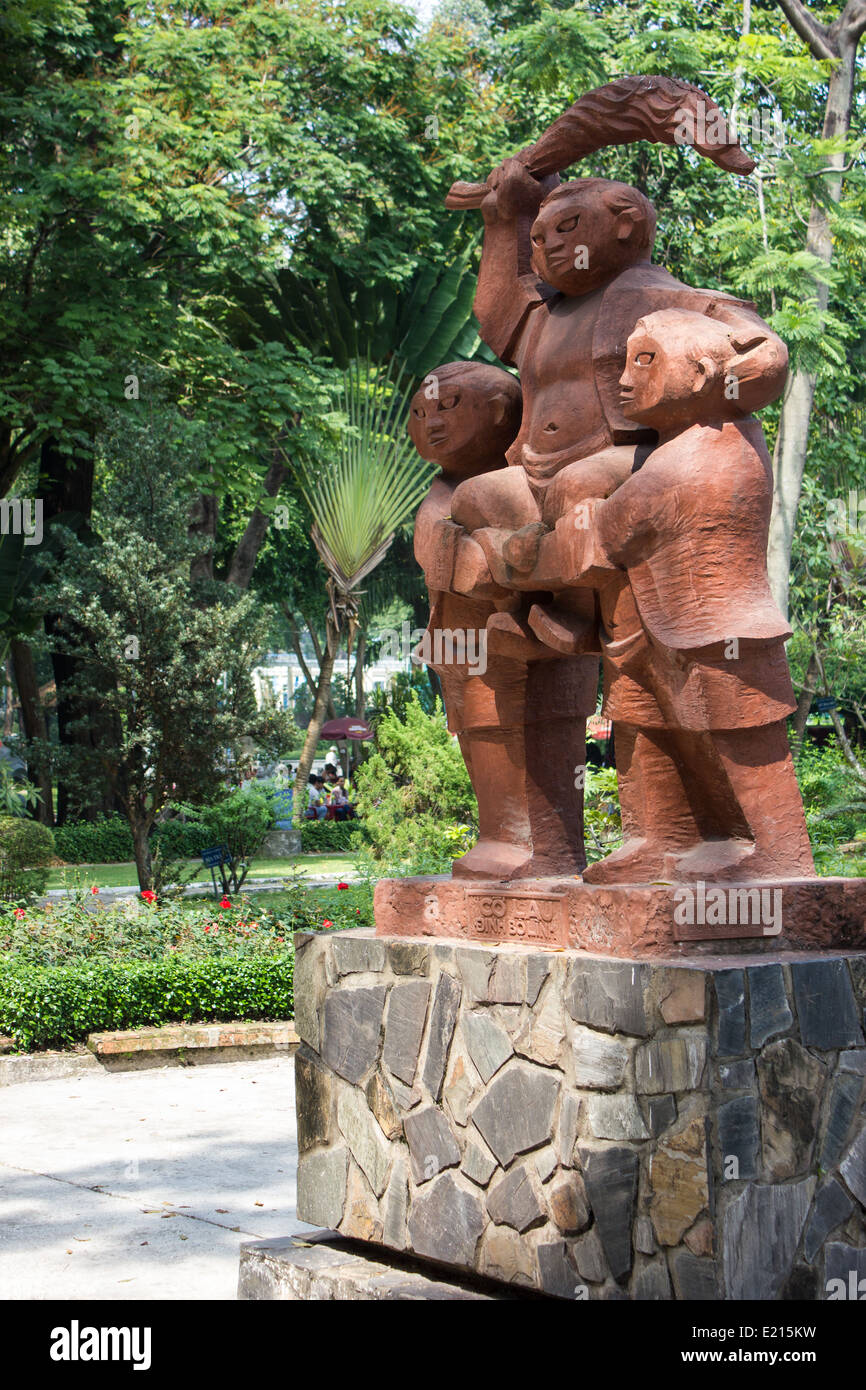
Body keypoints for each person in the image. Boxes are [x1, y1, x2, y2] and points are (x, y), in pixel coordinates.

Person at [562, 309, 814, 883]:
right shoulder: (688, 444)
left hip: (719, 629)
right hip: (658, 624)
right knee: (644, 723)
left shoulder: (706, 448)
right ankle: (660, 838)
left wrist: (570, 519)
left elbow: (616, 529)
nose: (623, 379)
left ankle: (779, 853)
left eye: (644, 361)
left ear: (702, 374)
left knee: (740, 735)